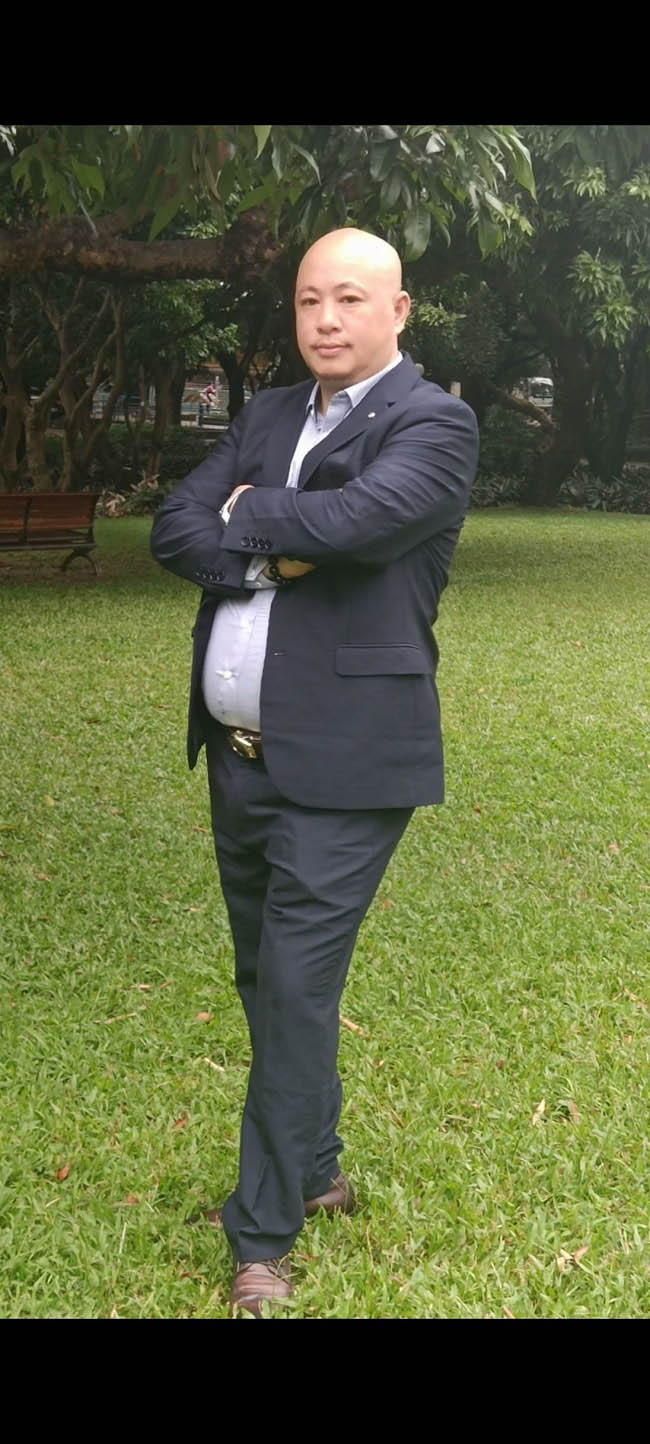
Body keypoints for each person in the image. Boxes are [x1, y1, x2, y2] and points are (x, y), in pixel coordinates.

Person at [150, 227, 479, 1316]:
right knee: (266, 978)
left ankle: (262, 1234)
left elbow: (361, 520)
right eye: (307, 300)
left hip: (348, 762)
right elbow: (173, 528)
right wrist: (272, 547)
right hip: (240, 759)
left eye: (348, 298)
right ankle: (318, 1165)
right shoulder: (267, 415)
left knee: (294, 985)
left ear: (399, 311)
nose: (325, 320)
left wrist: (255, 514)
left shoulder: (433, 422)